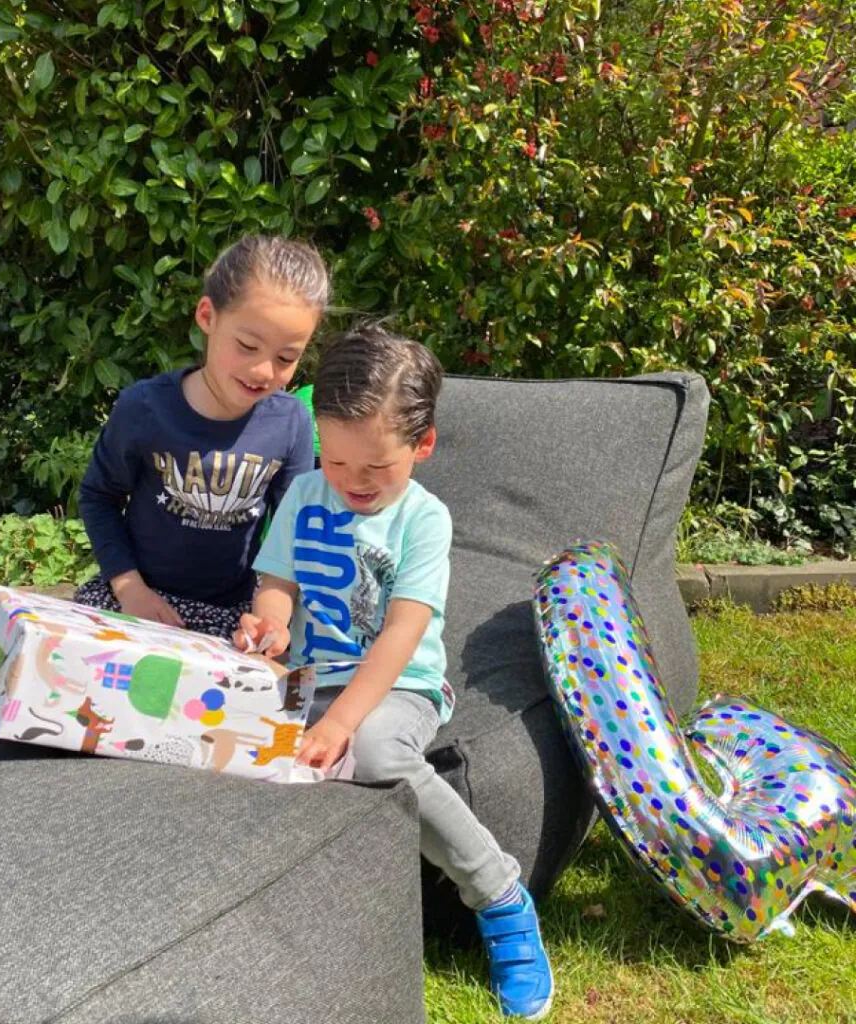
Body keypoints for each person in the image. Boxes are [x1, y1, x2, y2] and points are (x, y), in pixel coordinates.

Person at [233, 324, 554, 1020]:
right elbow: (276, 583)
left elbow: (403, 635)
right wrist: (272, 625)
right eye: (336, 461)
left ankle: (499, 895)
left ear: (423, 445)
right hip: (307, 681)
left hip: (399, 687)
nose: (353, 482)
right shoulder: (305, 494)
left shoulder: (424, 520)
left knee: (376, 749)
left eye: (376, 467)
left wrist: (342, 722)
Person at [75, 235, 328, 640]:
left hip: (231, 615)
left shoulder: (292, 422)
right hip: (137, 598)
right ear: (208, 316)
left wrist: (270, 619)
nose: (264, 371)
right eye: (248, 345)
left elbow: (290, 533)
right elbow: (98, 496)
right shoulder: (144, 408)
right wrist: (129, 588)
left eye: (286, 358)